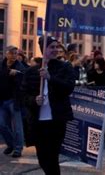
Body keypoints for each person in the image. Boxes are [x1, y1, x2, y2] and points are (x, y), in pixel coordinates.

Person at [21, 36, 75, 175]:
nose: (56, 50)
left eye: (57, 47)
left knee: (52, 157)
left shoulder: (65, 67)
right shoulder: (31, 71)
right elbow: (24, 95)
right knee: (42, 159)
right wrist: (34, 100)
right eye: (52, 47)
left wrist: (50, 78)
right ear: (43, 49)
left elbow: (68, 87)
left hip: (56, 120)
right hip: (38, 121)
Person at [0, 45, 26, 158]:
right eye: (11, 53)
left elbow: (25, 78)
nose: (14, 55)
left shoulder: (19, 66)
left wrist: (18, 74)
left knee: (17, 127)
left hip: (14, 100)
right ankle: (11, 144)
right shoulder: (1, 65)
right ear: (6, 54)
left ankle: (18, 149)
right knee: (2, 124)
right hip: (2, 100)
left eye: (15, 53)